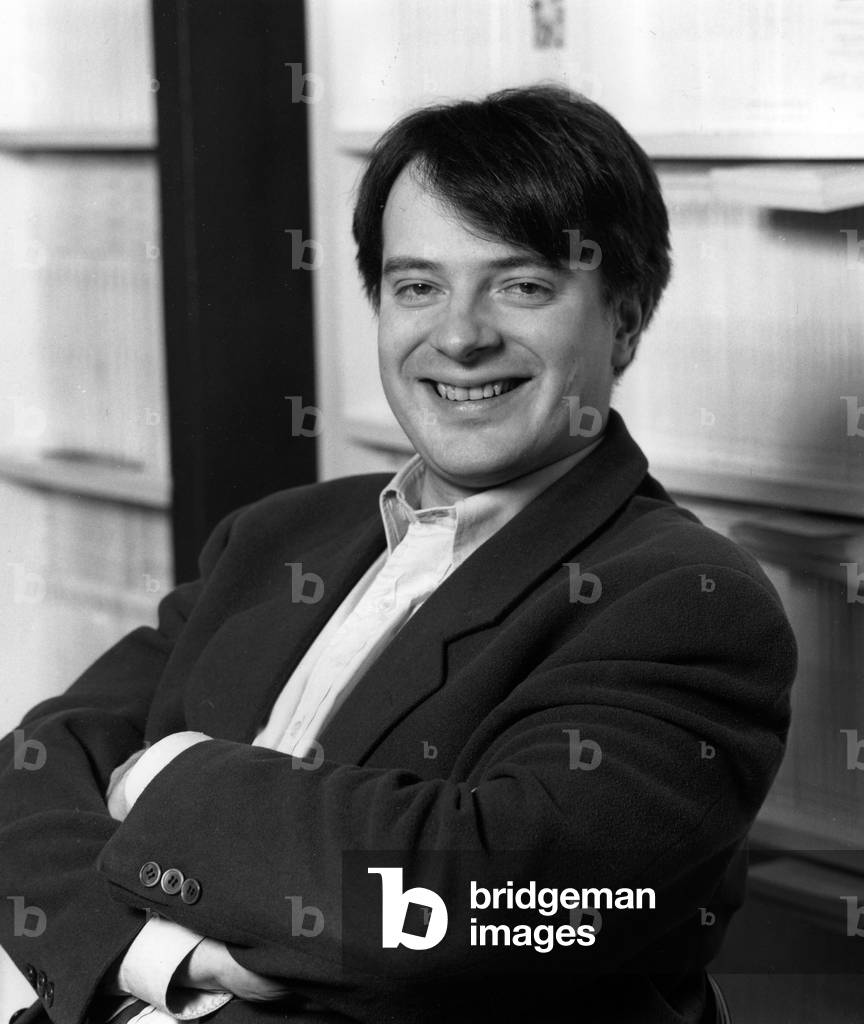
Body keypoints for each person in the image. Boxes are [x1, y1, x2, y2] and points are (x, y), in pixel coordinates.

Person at [0, 85, 796, 1024]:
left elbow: (473, 907)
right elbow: (31, 771)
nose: (459, 336)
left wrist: (158, 776)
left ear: (623, 318)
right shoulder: (278, 535)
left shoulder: (687, 599)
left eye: (523, 286)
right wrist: (162, 956)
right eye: (418, 286)